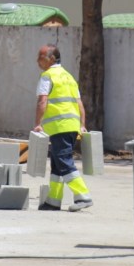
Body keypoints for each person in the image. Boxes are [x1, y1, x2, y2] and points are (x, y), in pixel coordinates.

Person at [33, 44, 93, 212]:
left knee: (64, 162)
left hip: (59, 127)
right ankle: (53, 200)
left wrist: (38, 123)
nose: (38, 61)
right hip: (71, 127)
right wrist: (82, 124)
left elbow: (42, 101)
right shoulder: (68, 77)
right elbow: (79, 103)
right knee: (57, 164)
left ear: (52, 59)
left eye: (41, 57)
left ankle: (83, 196)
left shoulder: (47, 76)